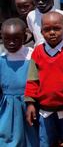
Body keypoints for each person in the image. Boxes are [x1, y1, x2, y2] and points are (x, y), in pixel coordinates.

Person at [25, 11, 63, 146]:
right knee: (47, 142)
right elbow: (32, 80)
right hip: (45, 110)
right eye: (47, 29)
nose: (52, 32)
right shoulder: (37, 53)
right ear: (41, 31)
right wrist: (30, 103)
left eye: (57, 28)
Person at [0, 18, 38, 146]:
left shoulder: (32, 56)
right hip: (7, 107)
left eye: (16, 39)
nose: (11, 43)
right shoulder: (1, 59)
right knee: (8, 138)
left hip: (29, 104)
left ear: (25, 37)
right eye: (7, 39)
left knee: (31, 138)